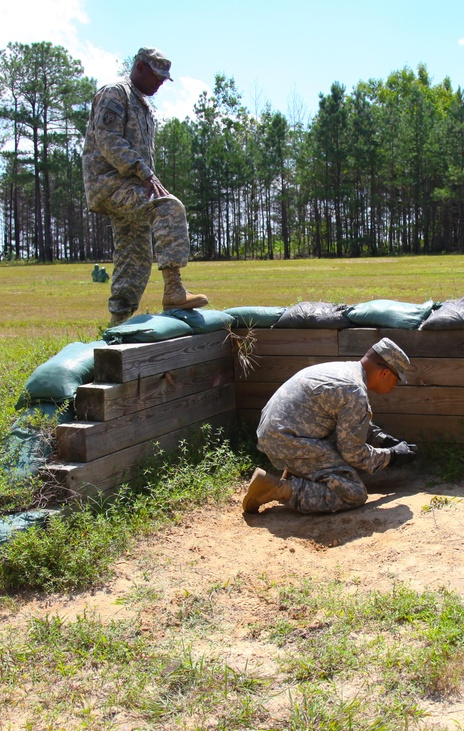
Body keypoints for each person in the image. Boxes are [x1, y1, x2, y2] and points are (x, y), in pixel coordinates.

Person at [82, 47, 208, 327]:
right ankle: (174, 290)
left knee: (134, 256)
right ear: (139, 67)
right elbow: (108, 140)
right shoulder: (115, 93)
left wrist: (146, 174)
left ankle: (117, 323)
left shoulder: (144, 106)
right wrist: (144, 172)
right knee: (168, 207)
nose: (161, 84)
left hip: (129, 183)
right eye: (157, 77)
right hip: (110, 183)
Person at [243, 337, 418, 515]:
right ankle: (275, 488)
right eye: (396, 380)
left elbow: (349, 424)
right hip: (287, 441)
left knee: (342, 457)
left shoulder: (343, 371)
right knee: (353, 493)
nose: (395, 386)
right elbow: (354, 454)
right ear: (385, 373)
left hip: (279, 432)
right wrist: (391, 456)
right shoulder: (355, 391)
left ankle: (298, 473)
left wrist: (383, 440)